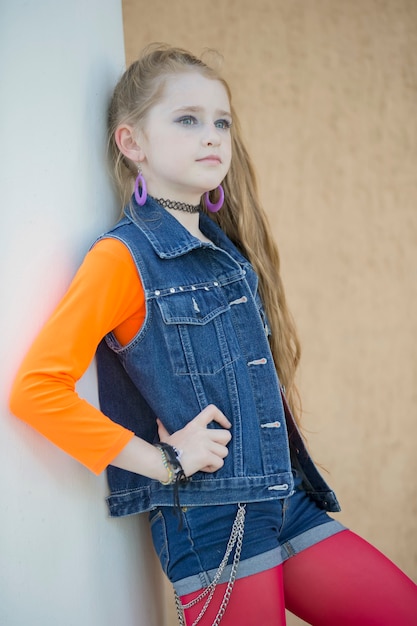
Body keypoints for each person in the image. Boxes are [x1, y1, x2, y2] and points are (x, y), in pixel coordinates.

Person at [9, 44, 417, 626]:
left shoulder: (226, 254)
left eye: (221, 121)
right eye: (188, 119)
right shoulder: (122, 259)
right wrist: (163, 462)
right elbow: (36, 389)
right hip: (212, 522)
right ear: (132, 143)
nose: (212, 137)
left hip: (285, 498)